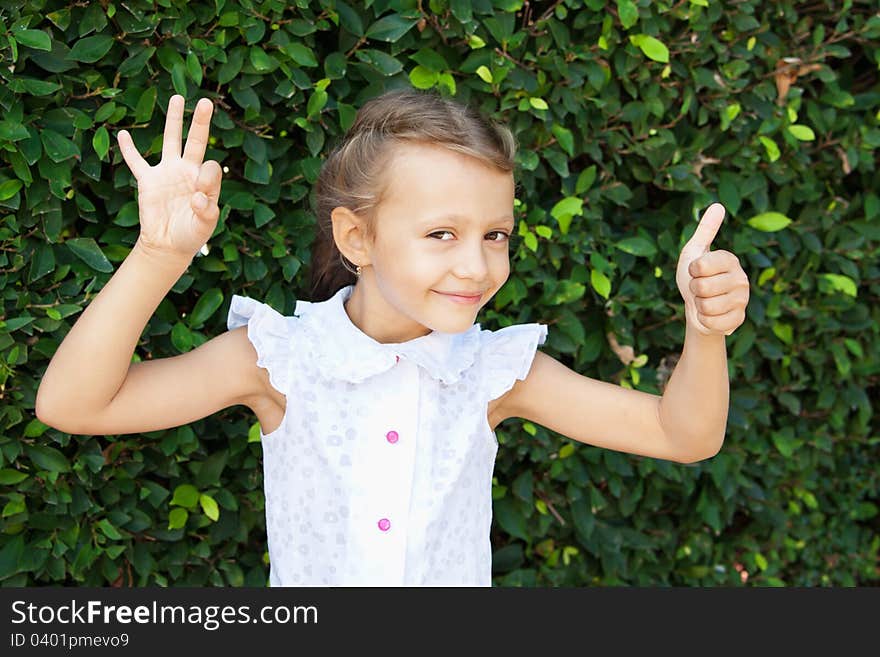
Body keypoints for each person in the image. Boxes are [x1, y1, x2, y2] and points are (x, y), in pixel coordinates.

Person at [35, 88, 750, 587]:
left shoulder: (496, 370)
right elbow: (75, 405)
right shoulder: (278, 358)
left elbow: (682, 434)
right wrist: (159, 255)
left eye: (494, 234)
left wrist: (705, 327)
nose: (476, 264)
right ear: (357, 235)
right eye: (442, 233)